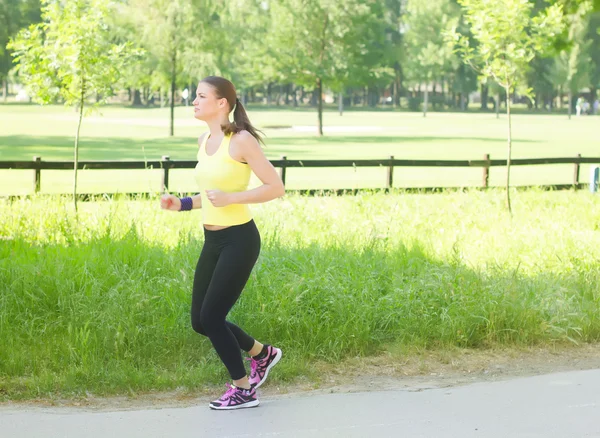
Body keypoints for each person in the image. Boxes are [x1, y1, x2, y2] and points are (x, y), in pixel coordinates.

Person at [160, 76, 285, 410]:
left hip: (239, 240)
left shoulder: (241, 140)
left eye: (201, 96)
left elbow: (275, 187)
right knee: (201, 321)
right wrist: (183, 204)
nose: (194, 101)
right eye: (194, 96)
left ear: (221, 103)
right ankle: (263, 353)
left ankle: (243, 389)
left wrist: (233, 196)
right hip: (212, 239)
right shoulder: (204, 140)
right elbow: (210, 194)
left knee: (213, 316)